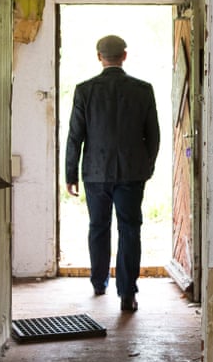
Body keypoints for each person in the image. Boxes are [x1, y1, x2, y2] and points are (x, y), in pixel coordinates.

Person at [65, 35, 161, 312]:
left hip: (95, 172)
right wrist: (147, 166)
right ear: (124, 56)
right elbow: (153, 135)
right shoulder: (143, 90)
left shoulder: (85, 90)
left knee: (98, 226)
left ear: (99, 57)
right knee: (129, 229)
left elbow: (75, 136)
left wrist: (70, 174)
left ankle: (99, 282)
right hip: (132, 172)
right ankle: (127, 293)